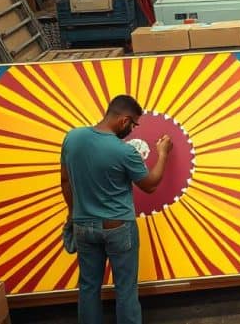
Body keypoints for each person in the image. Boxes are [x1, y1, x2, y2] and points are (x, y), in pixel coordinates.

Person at [60, 95, 172, 324]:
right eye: (133, 124)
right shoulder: (124, 151)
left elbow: (65, 181)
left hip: (82, 225)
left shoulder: (72, 138)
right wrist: (162, 154)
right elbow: (150, 185)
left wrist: (73, 214)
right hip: (118, 228)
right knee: (126, 289)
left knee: (89, 287)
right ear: (124, 121)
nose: (132, 130)